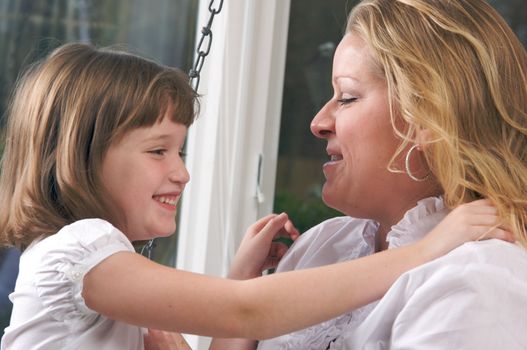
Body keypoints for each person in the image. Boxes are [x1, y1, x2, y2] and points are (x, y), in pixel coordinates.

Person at [0, 43, 510, 350]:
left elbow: (241, 311)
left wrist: (241, 276)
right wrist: (423, 251)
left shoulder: (97, 263)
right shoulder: (79, 251)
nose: (182, 173)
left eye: (181, 151)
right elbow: (246, 312)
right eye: (158, 151)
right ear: (82, 155)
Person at [211, 0, 527, 349]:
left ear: (427, 117)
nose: (317, 123)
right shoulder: (321, 246)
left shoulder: (479, 280)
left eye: (346, 98)